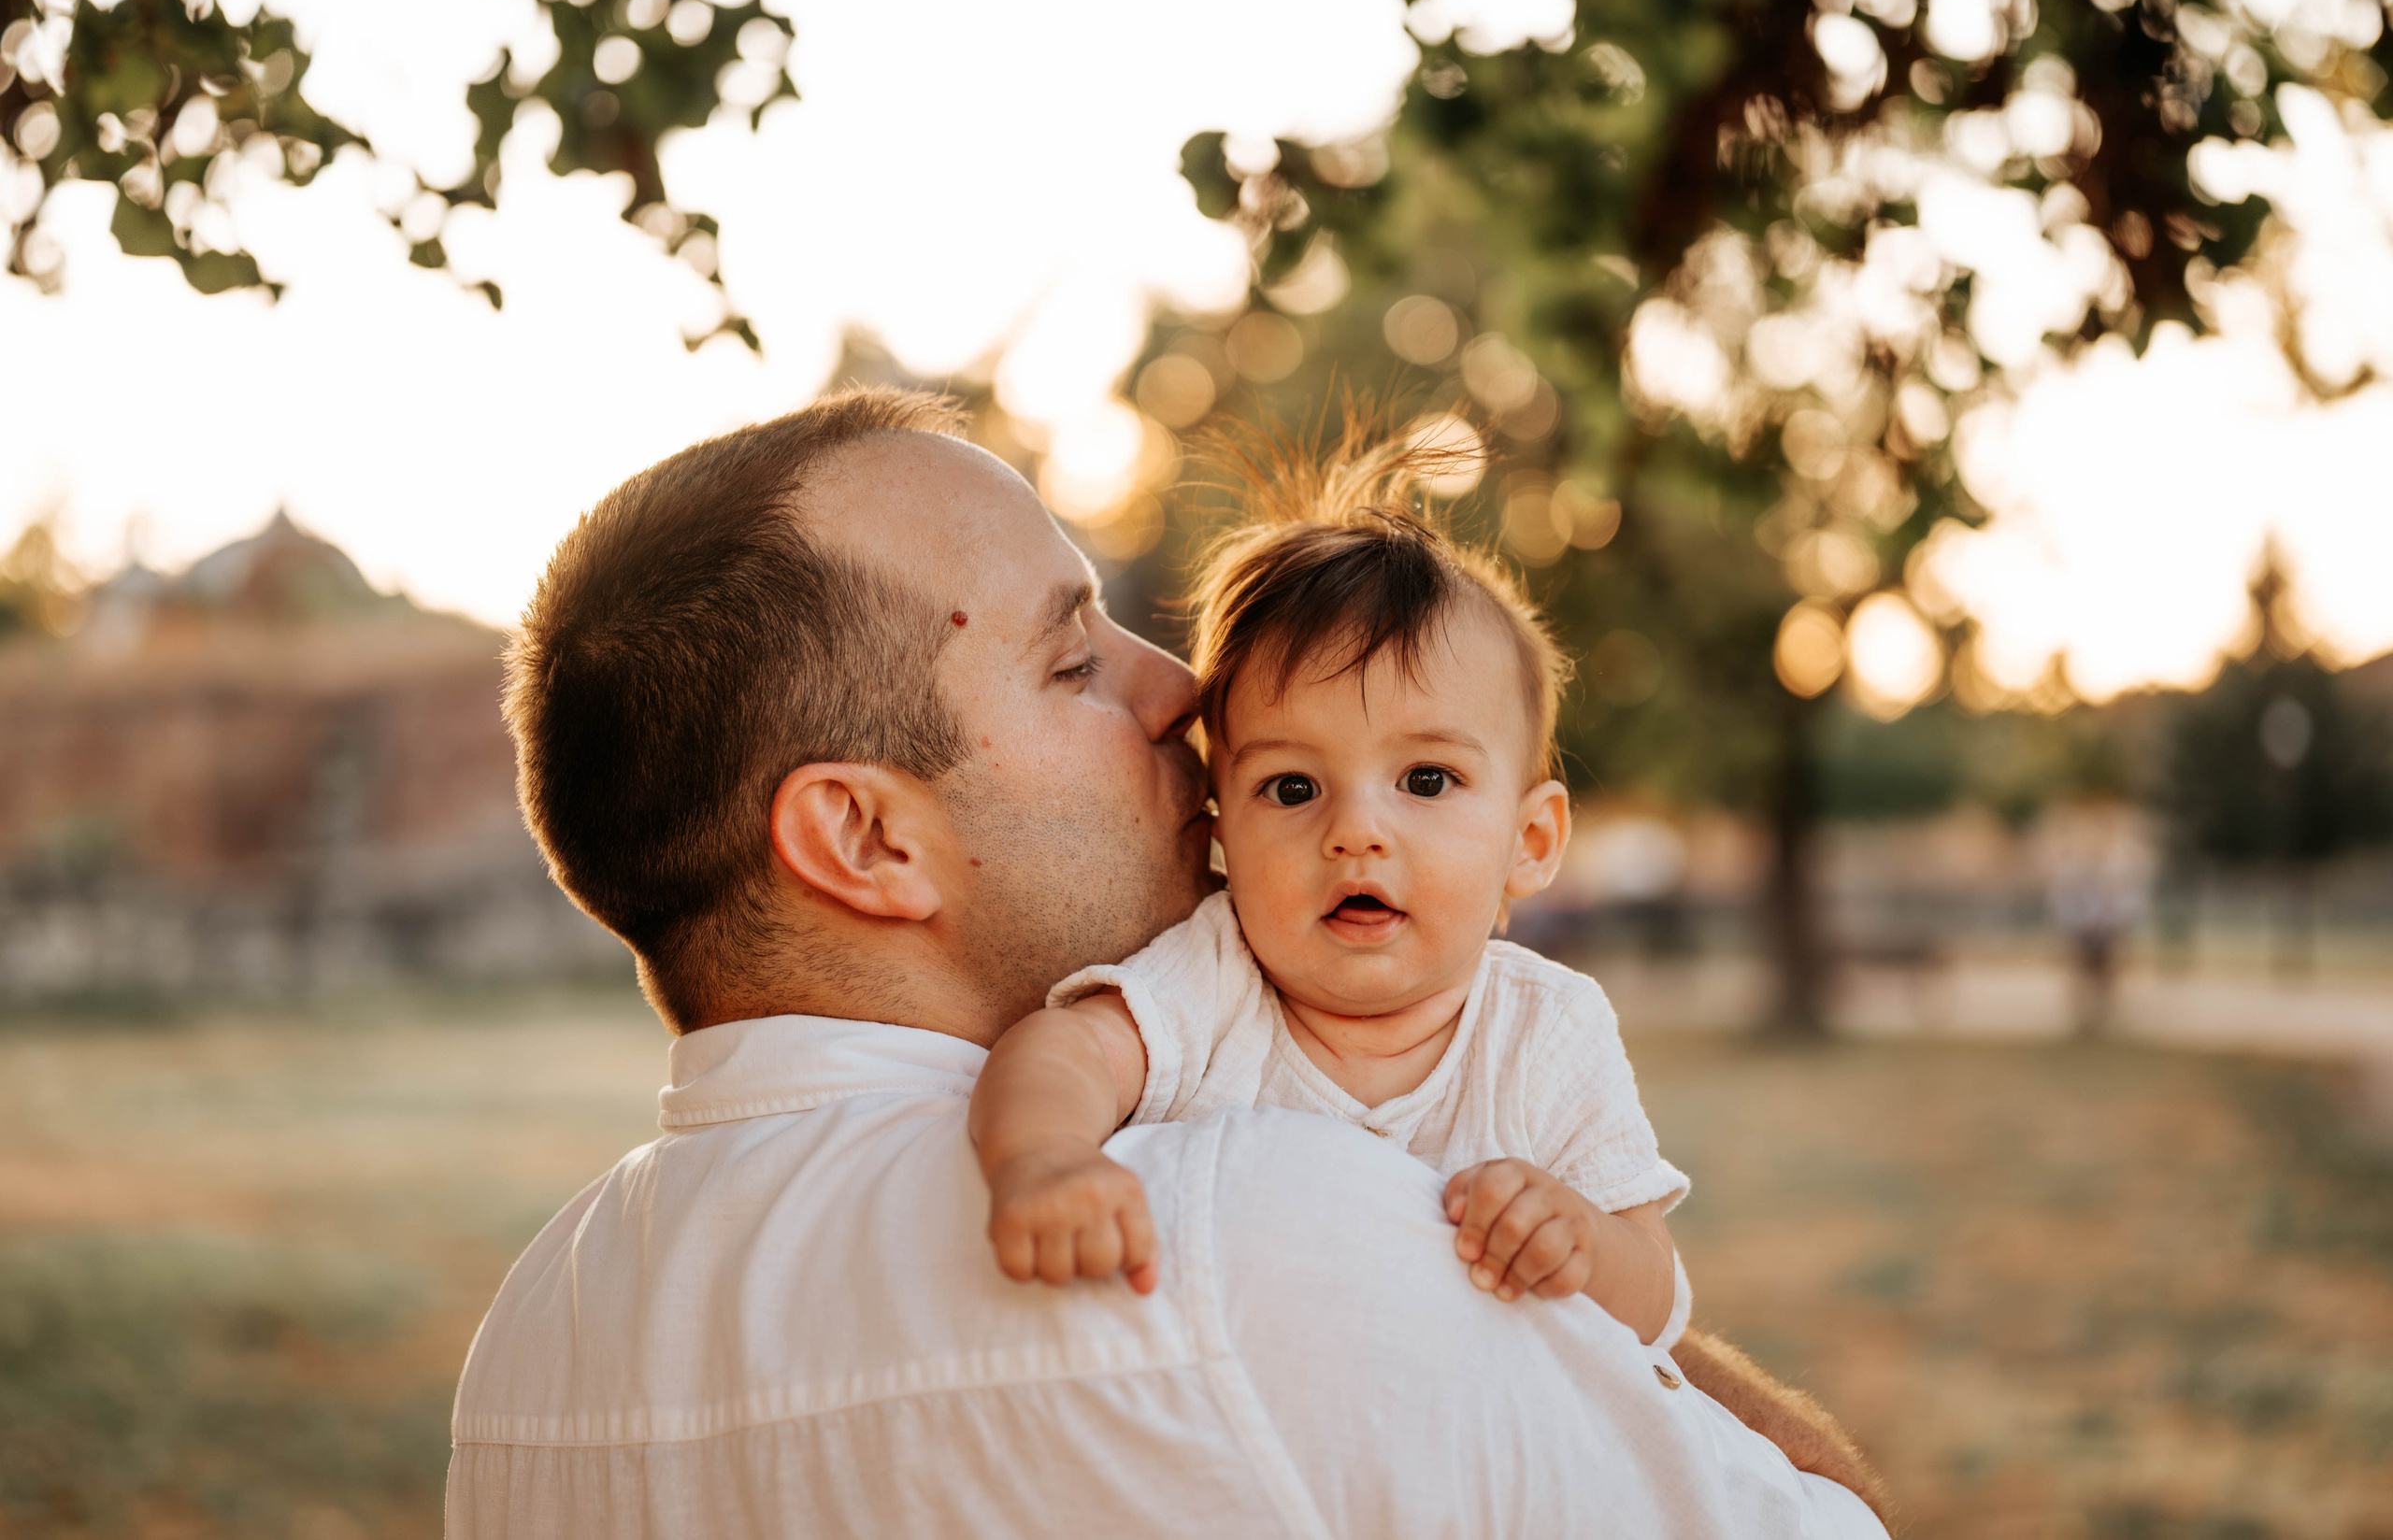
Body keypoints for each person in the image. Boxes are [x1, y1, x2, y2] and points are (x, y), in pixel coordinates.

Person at [446, 388, 1892, 1537]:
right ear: (866, 839)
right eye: (1072, 662)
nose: (1185, 690)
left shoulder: (524, 1350)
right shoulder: (1253, 1240)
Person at [969, 430, 1687, 1347]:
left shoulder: (1545, 1034)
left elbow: (1657, 1292)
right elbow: (1064, 1049)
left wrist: (1582, 1239)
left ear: (1531, 838)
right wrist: (1040, 1157)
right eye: (1292, 787)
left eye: (1425, 779)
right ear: (1224, 827)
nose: (1354, 830)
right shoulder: (1215, 979)